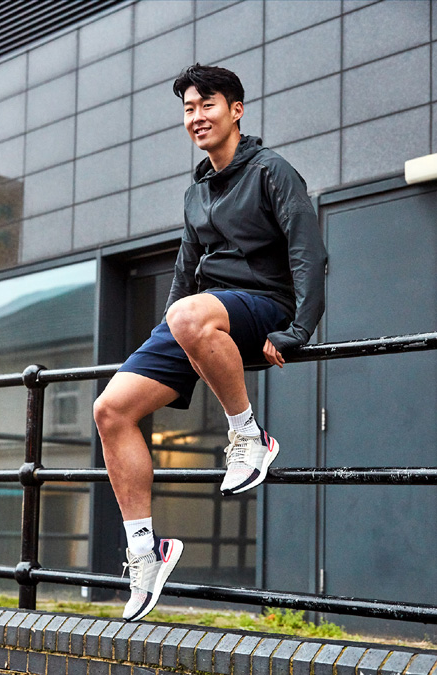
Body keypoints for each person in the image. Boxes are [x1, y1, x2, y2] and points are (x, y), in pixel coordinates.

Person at [93, 64, 327, 622]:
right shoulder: (196, 191)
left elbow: (309, 254)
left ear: (236, 110)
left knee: (190, 314)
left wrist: (299, 329)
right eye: (188, 109)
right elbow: (185, 272)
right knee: (110, 410)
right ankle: (146, 552)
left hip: (265, 305)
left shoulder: (271, 171)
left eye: (208, 105)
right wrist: (167, 333)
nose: (197, 117)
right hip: (202, 316)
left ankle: (249, 436)